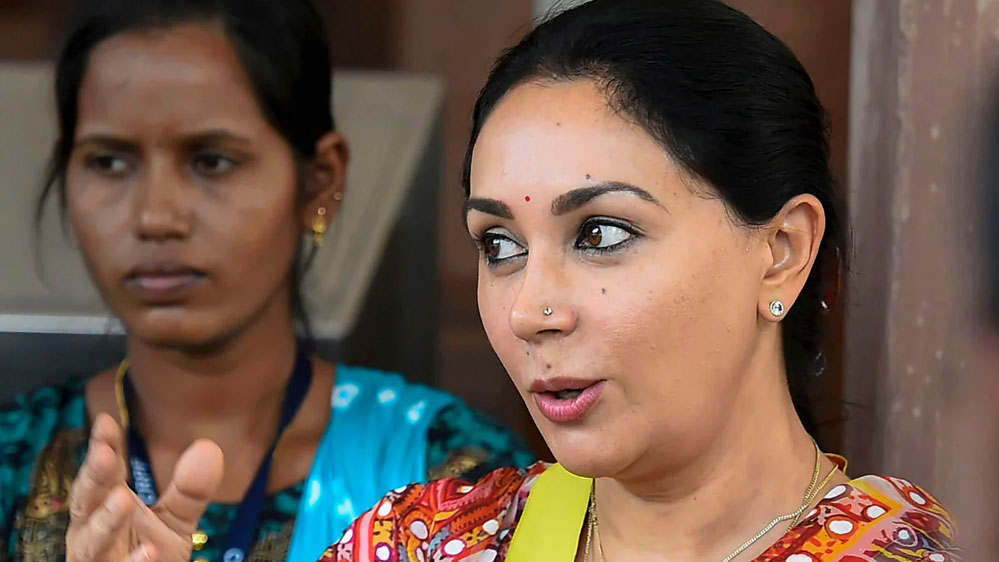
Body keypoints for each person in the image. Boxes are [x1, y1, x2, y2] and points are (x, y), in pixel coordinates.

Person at [320, 1, 961, 560]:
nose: (528, 311)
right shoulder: (420, 544)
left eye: (600, 234)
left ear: (781, 252)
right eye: (500, 245)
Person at [0, 1, 534, 561]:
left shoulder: (457, 477)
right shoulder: (15, 463)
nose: (155, 216)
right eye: (109, 162)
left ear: (319, 181)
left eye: (212, 161)